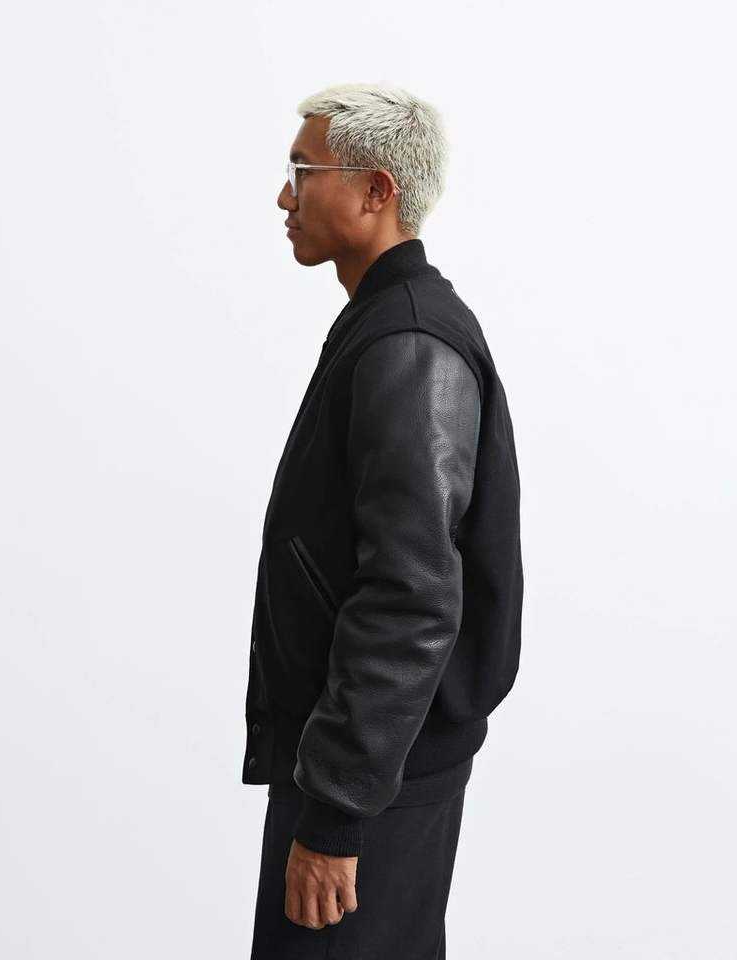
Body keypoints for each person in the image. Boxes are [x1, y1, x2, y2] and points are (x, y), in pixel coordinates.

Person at [242, 82, 523, 960]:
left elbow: (409, 597)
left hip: (370, 781)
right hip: (362, 763)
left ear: (375, 191)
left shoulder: (409, 342)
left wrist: (336, 814)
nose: (284, 195)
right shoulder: (385, 325)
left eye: (303, 172)